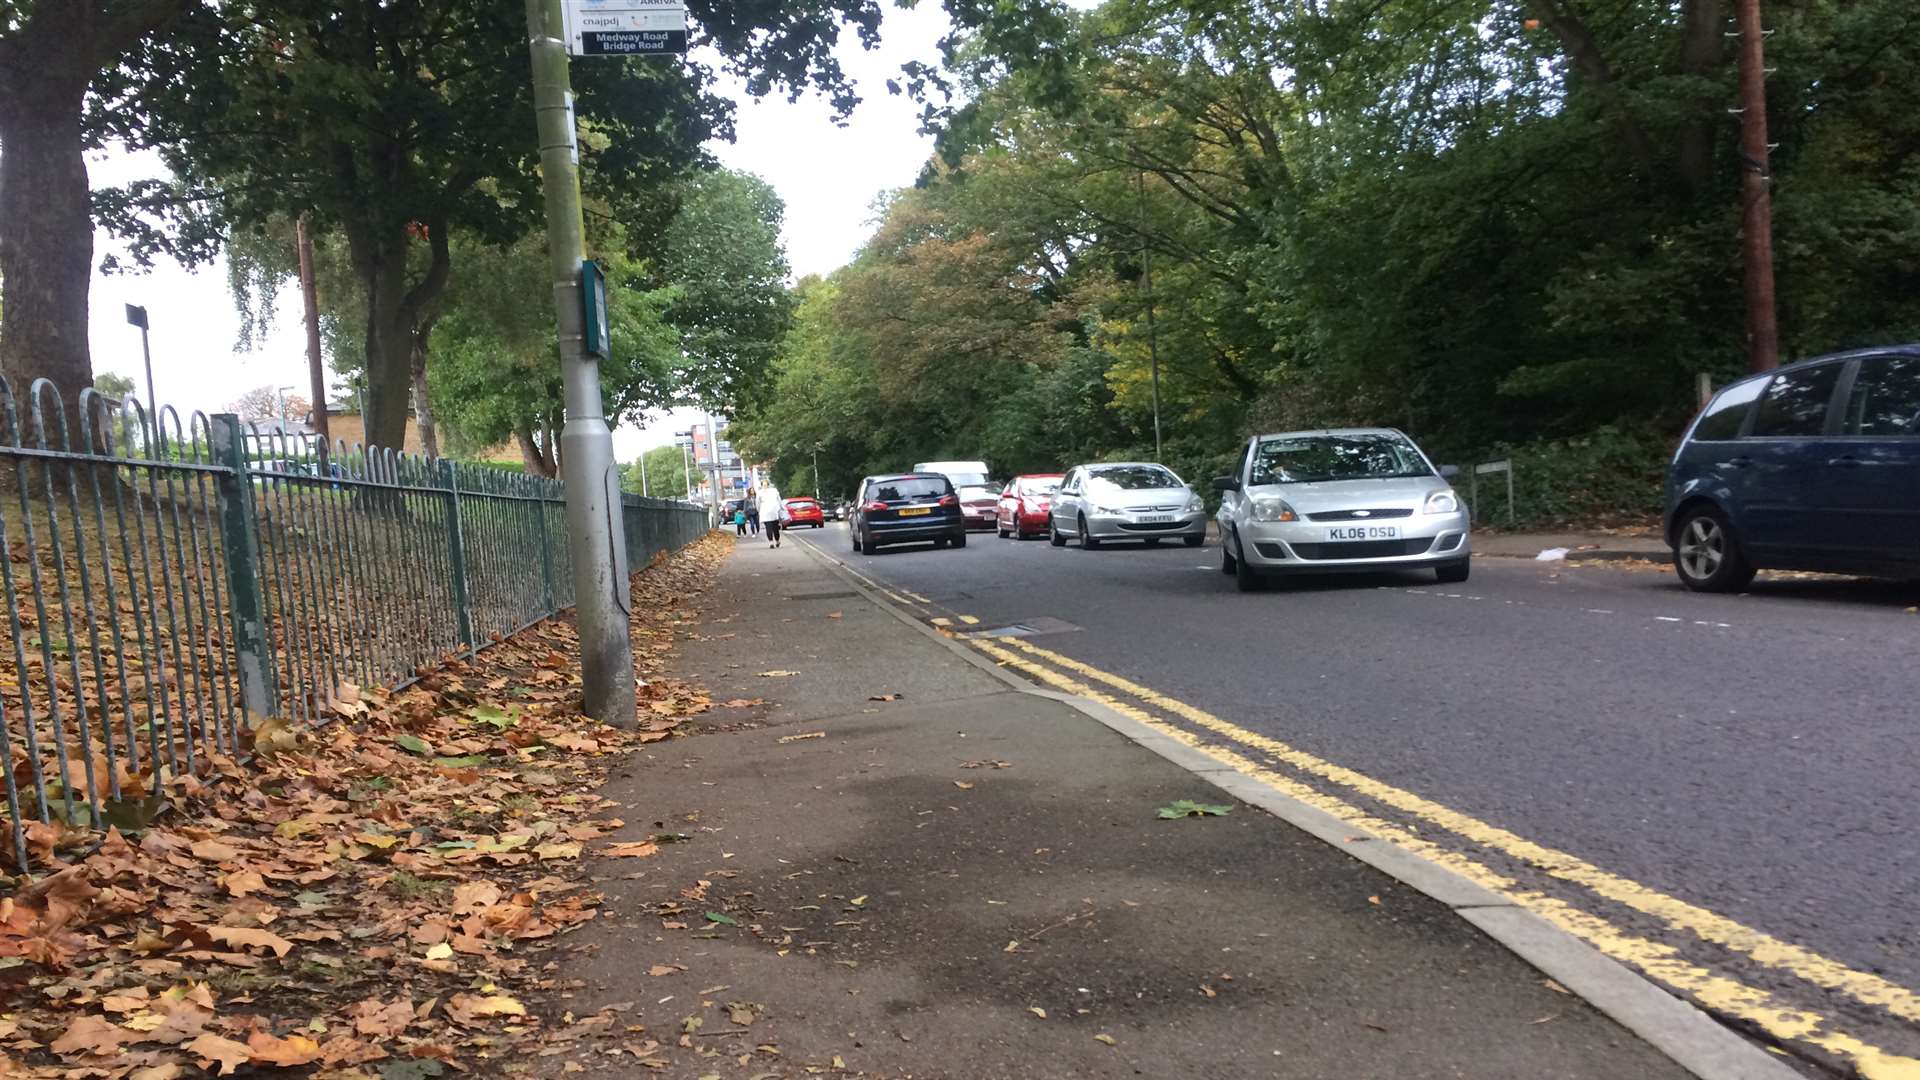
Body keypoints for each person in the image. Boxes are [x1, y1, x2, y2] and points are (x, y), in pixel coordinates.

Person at [758, 483, 786, 549]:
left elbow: (757, 503)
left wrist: (759, 510)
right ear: (768, 485)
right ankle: (777, 541)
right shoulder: (774, 490)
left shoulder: (760, 492)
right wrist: (781, 508)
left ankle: (771, 542)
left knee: (768, 528)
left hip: (765, 512)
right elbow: (779, 500)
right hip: (774, 511)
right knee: (775, 528)